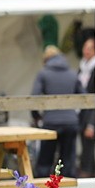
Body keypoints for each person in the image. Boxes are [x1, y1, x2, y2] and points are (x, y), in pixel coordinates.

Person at [31, 44, 80, 176]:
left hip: (50, 122)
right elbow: (83, 96)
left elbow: (34, 98)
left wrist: (37, 116)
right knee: (68, 162)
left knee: (45, 161)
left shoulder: (43, 73)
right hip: (71, 122)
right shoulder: (73, 73)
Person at [76, 35, 95, 177]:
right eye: (85, 47)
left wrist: (91, 124)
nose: (86, 51)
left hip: (92, 114)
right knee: (85, 147)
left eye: (90, 48)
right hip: (81, 113)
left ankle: (88, 173)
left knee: (90, 147)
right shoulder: (81, 67)